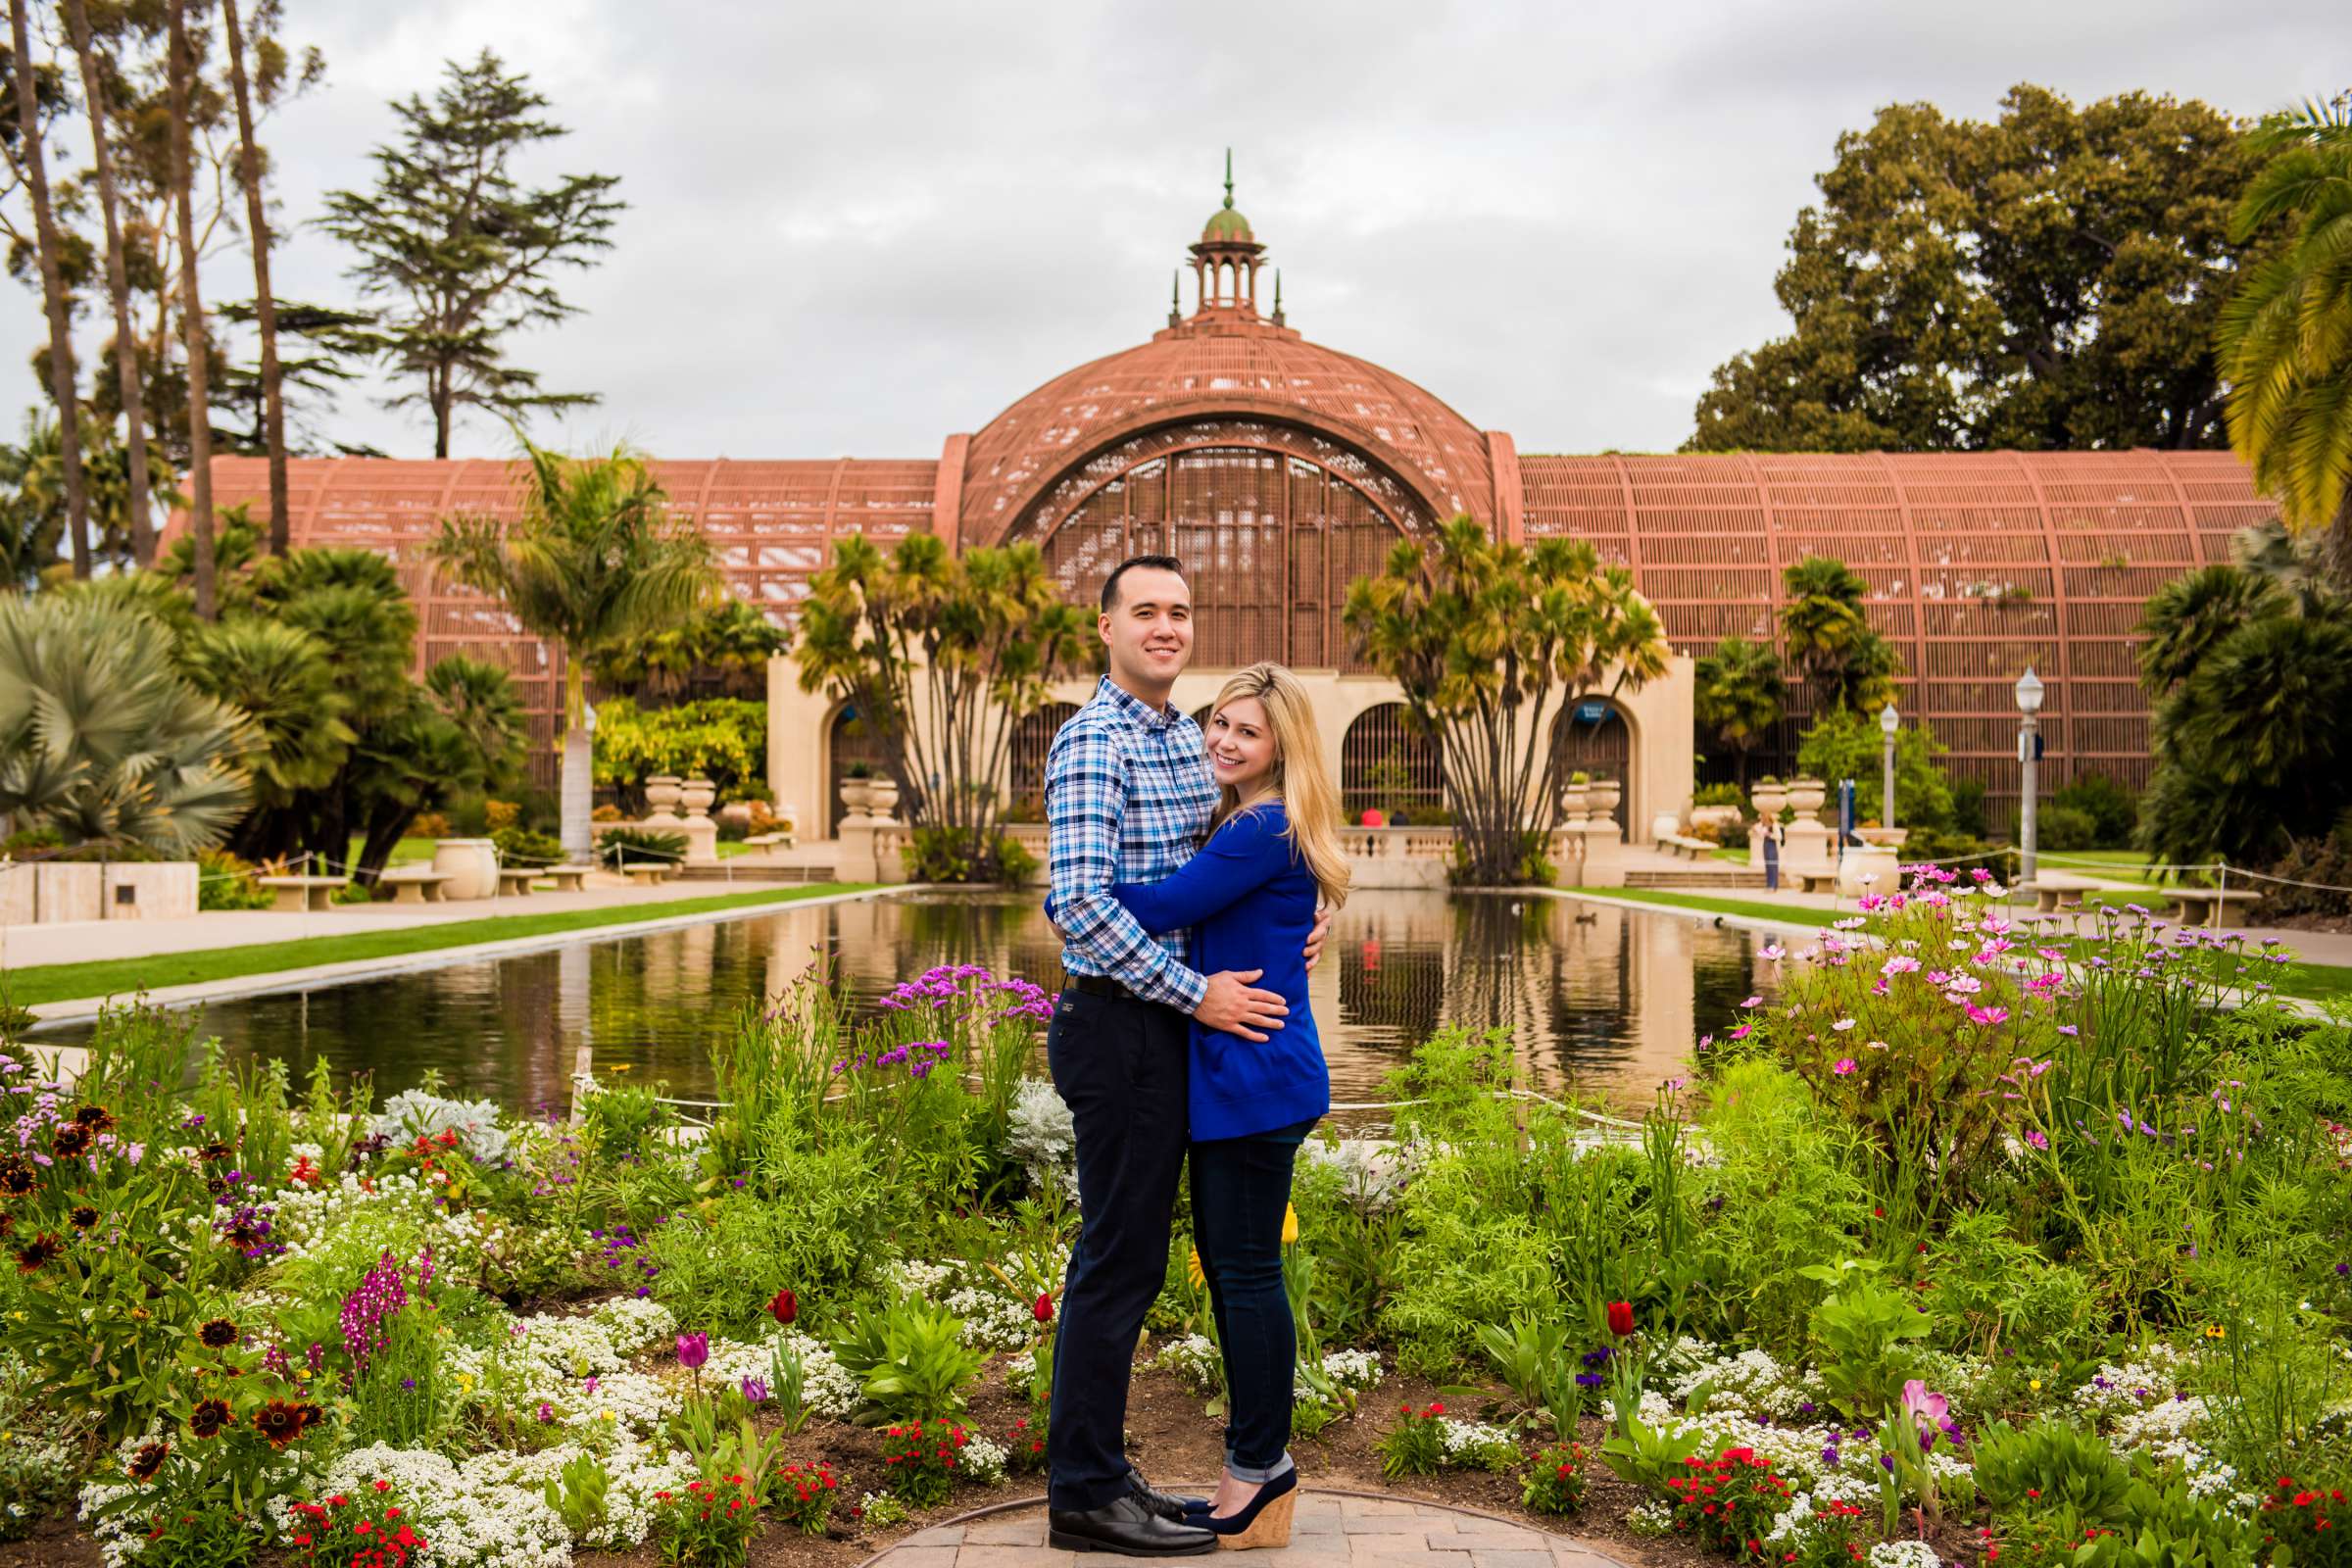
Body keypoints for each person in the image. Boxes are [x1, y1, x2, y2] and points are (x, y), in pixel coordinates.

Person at [1040, 556, 1326, 1557]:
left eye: (1180, 611)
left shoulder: (1178, 739)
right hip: (1120, 1023)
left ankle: (1109, 1475)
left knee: (1142, 1261)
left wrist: (1291, 927)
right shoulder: (1094, 742)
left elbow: (1230, 864)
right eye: (1145, 611)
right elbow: (1079, 904)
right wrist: (1197, 989)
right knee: (1116, 1261)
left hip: (1172, 1035)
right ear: (1105, 626)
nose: (1166, 626)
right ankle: (1082, 1492)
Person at [1109, 662, 1349, 1551]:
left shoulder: (1260, 824)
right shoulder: (1252, 819)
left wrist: (1080, 891)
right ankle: (1255, 1465)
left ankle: (1260, 1470)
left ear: (1281, 743)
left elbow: (1170, 903)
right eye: (1218, 722)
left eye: (1245, 730)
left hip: (1255, 1080)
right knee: (1239, 1273)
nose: (1223, 739)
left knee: (1246, 1279)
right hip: (1244, 1077)